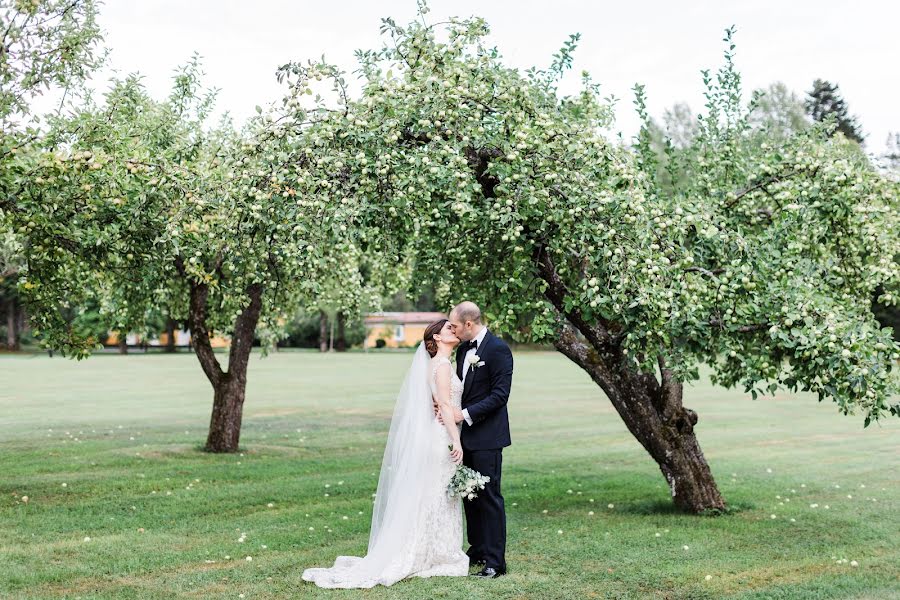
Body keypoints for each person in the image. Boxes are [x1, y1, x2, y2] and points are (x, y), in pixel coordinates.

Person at [301, 319, 469, 588]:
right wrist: (456, 440)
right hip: (441, 437)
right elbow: (447, 405)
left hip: (435, 434)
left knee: (432, 495)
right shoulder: (443, 365)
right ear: (436, 338)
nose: (454, 330)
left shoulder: (436, 365)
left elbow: (437, 403)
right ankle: (432, 553)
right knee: (436, 495)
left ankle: (433, 551)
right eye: (448, 328)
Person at [441, 300, 513, 578]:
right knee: (469, 496)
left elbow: (499, 396)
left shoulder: (498, 350)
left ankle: (496, 562)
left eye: (456, 326)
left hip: (488, 437)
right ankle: (479, 548)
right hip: (464, 438)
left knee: (489, 497)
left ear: (469, 324)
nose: (453, 330)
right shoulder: (463, 351)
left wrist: (463, 414)